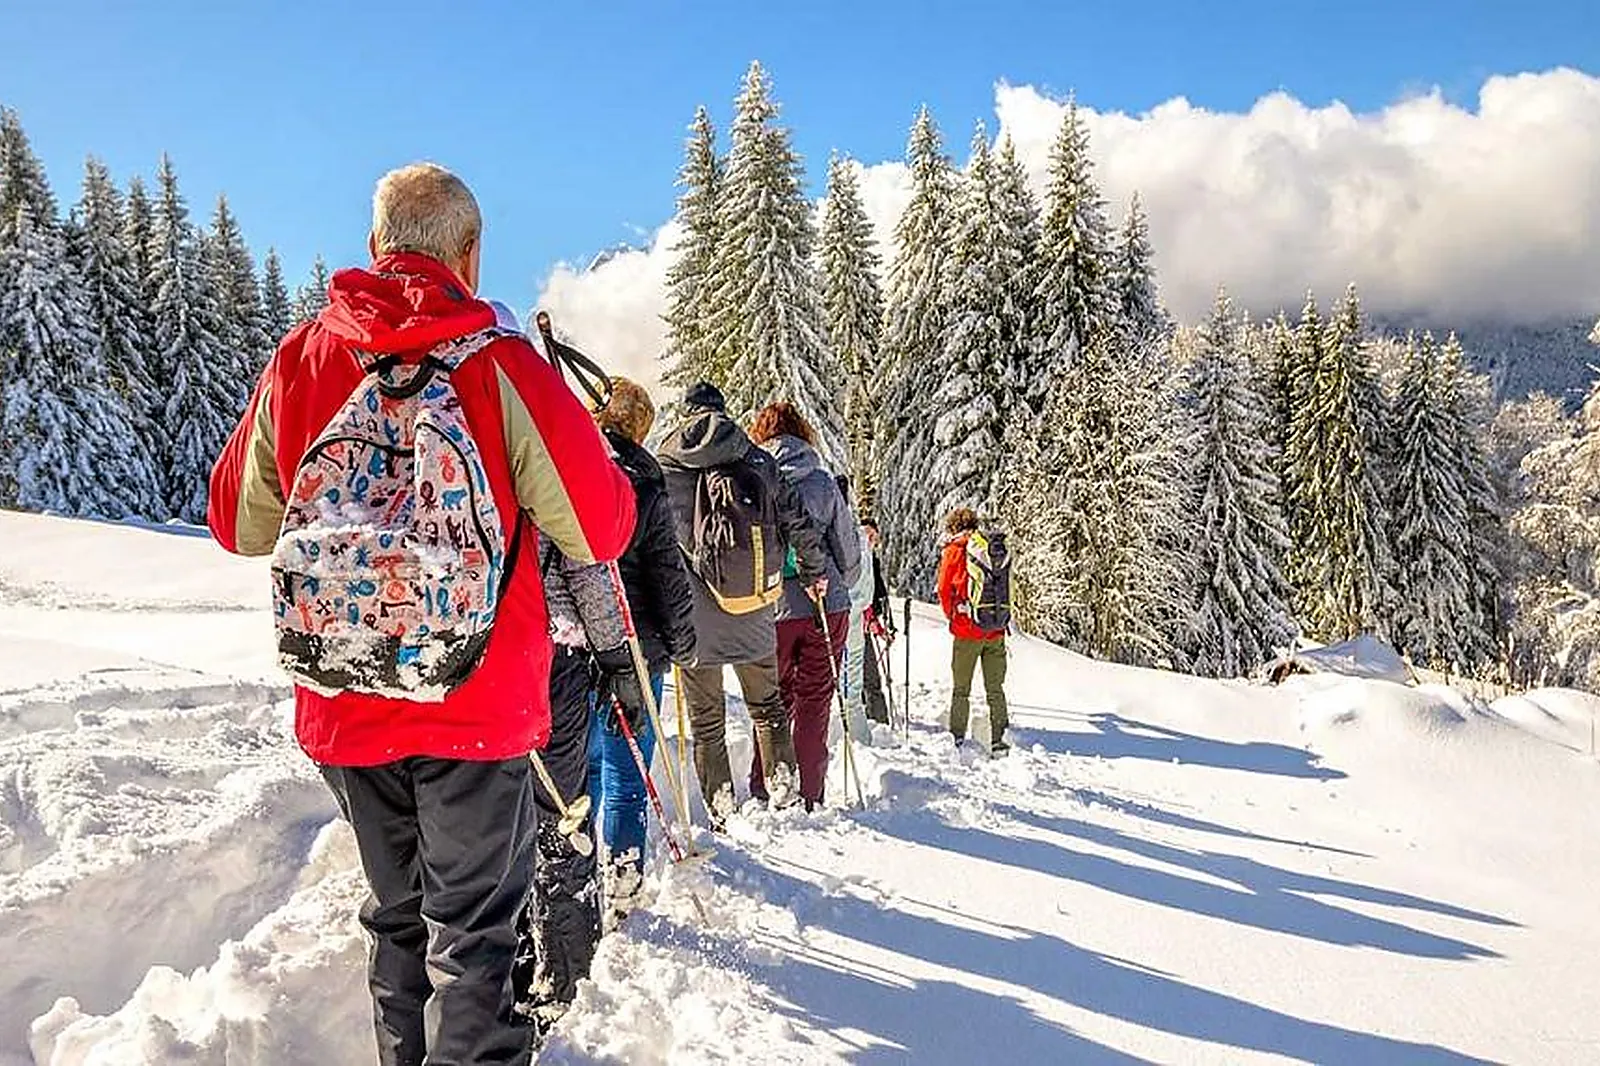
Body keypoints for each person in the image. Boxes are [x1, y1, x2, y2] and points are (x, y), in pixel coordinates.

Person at [208, 162, 636, 1066]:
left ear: (375, 246)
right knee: (473, 943)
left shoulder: (303, 359)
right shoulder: (502, 364)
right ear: (471, 257)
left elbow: (236, 522)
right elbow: (600, 522)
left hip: (346, 697)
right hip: (477, 708)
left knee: (398, 929)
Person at [657, 382, 825, 825]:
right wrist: (813, 572)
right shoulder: (757, 460)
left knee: (707, 720)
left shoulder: (665, 464)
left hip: (693, 614)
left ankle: (721, 808)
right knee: (767, 706)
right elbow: (797, 522)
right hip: (753, 603)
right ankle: (783, 789)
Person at [516, 534, 650, 1035]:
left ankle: (498, 977)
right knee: (559, 819)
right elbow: (587, 561)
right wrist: (617, 658)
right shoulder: (543, 455)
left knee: (485, 825)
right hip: (546, 648)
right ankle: (565, 977)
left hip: (455, 654)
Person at [587, 377, 697, 915]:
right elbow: (668, 576)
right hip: (635, 646)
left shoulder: (568, 467)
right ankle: (623, 879)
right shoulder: (646, 484)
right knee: (627, 772)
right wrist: (682, 643)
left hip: (571, 645)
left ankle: (576, 877)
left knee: (582, 767)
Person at [750, 403, 861, 809]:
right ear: (803, 436)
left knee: (771, 698)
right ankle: (810, 793)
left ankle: (765, 786)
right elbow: (847, 551)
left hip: (772, 607)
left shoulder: (754, 481)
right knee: (816, 697)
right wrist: (840, 586)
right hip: (823, 604)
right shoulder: (823, 483)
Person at [937, 507, 1010, 755]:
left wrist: (954, 617)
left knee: (961, 689)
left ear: (953, 527)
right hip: (996, 628)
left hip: (967, 630)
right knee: (995, 688)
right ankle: (1001, 738)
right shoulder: (990, 549)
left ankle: (957, 738)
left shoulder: (955, 551)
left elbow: (945, 590)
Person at [836, 476, 875, 740]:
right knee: (850, 684)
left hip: (840, 615)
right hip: (850, 618)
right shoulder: (855, 534)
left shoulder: (837, 529)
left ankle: (852, 740)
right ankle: (856, 739)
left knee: (845, 685)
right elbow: (865, 588)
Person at [859, 516, 894, 726]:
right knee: (870, 678)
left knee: (866, 676)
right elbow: (859, 598)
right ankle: (879, 723)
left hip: (866, 624)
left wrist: (883, 624)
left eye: (872, 535)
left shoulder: (873, 561)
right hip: (857, 625)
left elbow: (878, 594)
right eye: (865, 534)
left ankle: (872, 720)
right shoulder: (860, 561)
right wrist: (873, 622)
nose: (869, 539)